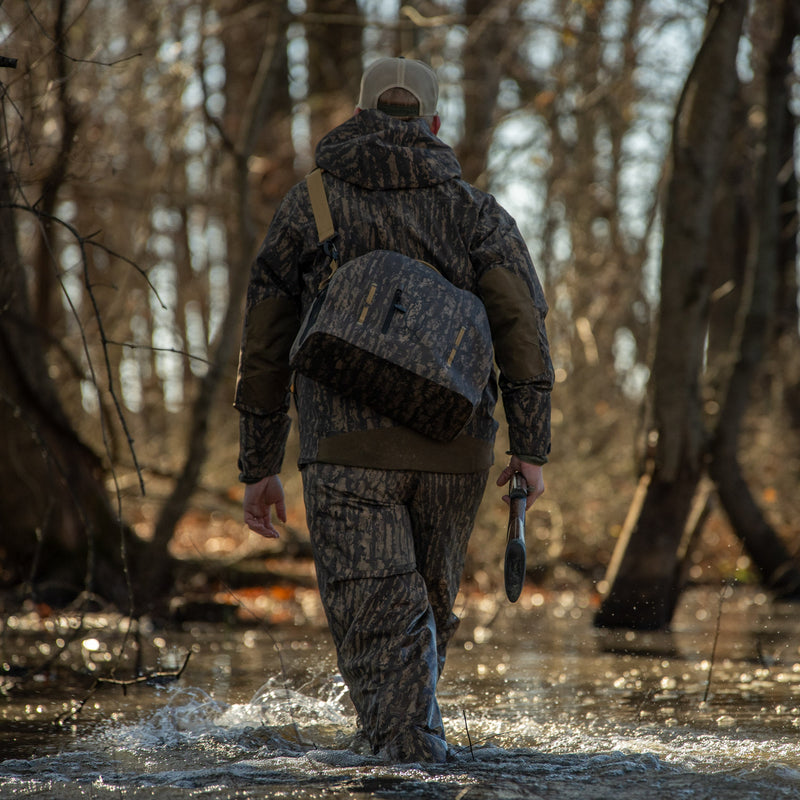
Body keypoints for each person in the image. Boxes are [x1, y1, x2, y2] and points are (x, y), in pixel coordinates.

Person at [234, 56, 553, 763]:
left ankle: (405, 766)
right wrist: (530, 449)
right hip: (456, 450)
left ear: (357, 115)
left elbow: (265, 337)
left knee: (385, 637)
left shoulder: (309, 202)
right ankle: (406, 759)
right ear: (435, 124)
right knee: (420, 632)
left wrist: (258, 462)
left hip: (347, 454)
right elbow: (522, 329)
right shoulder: (476, 212)